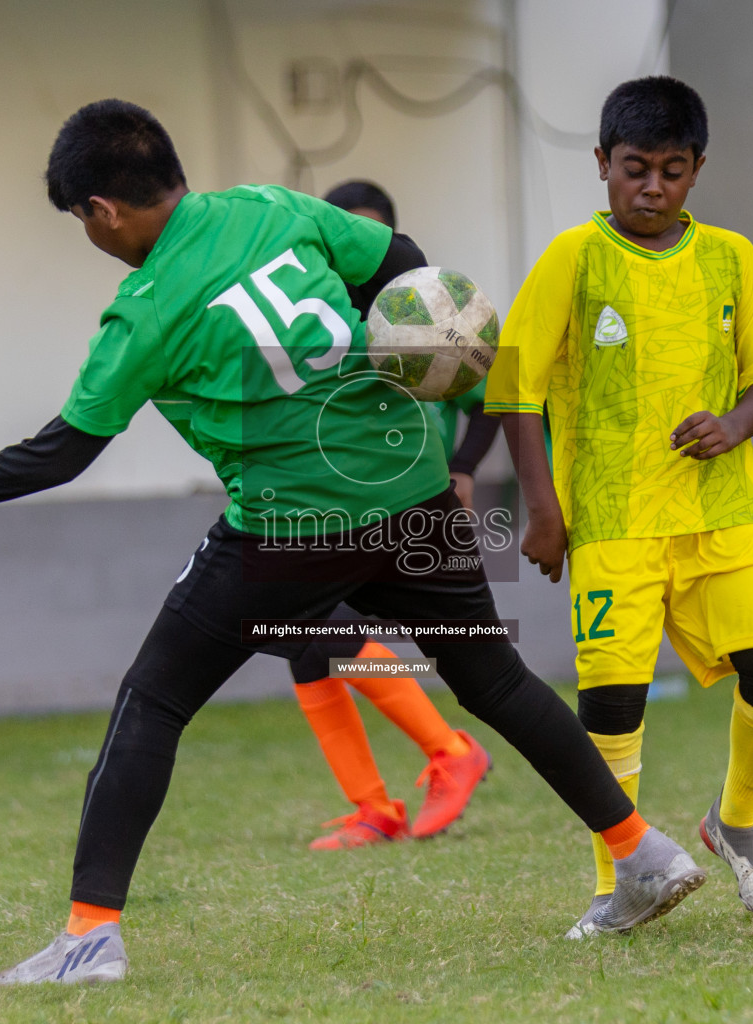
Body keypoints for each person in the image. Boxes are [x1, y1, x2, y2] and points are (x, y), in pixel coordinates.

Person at [0, 100, 702, 988]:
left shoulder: (144, 312)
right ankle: (643, 853)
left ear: (102, 210)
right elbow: (403, 263)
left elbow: (59, 454)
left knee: (154, 701)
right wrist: (400, 335)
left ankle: (89, 938)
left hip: (293, 527)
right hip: (415, 488)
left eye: (81, 224)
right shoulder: (272, 207)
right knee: (496, 682)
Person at [484, 76, 753, 937]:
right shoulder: (572, 258)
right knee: (612, 707)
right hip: (612, 523)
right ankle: (619, 880)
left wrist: (733, 423)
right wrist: (544, 513)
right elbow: (514, 391)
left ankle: (735, 818)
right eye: (636, 168)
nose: (652, 187)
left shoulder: (732, 257)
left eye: (672, 169)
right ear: (602, 165)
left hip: (723, 515)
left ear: (698, 169)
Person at [283, 179, 498, 851]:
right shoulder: (313, 320)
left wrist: (462, 467)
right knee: (305, 638)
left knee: (327, 631)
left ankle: (449, 750)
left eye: (366, 234)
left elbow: (489, 395)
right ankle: (375, 807)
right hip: (328, 502)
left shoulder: (415, 316)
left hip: (403, 498)